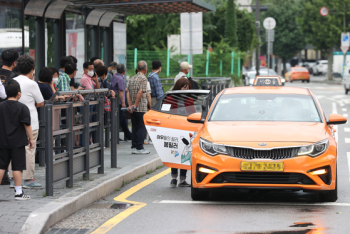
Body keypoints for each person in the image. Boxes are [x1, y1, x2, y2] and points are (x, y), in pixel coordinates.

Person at [7, 55, 45, 188]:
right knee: (29, 149)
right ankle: (28, 179)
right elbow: (41, 103)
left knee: (14, 149)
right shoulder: (32, 83)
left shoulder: (11, 81)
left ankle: (13, 178)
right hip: (30, 121)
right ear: (32, 69)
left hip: (13, 121)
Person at [0, 80, 33, 200]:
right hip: (18, 142)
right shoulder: (23, 107)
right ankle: (19, 193)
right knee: (17, 167)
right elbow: (27, 125)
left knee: (1, 166)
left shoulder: (1, 106)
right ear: (19, 93)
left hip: (2, 141)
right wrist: (31, 139)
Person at [164, 77, 194, 187]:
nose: (185, 90)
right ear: (178, 87)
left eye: (187, 88)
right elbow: (164, 114)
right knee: (174, 154)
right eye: (183, 87)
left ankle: (182, 180)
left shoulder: (190, 100)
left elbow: (193, 114)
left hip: (186, 131)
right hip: (173, 130)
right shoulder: (170, 98)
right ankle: (173, 178)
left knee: (185, 154)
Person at [126, 61, 150, 154]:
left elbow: (127, 92)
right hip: (141, 107)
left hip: (132, 108)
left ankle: (134, 147)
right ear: (145, 69)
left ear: (137, 69)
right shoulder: (143, 79)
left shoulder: (132, 78)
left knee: (135, 127)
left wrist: (130, 105)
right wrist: (135, 105)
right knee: (142, 127)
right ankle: (140, 148)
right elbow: (141, 92)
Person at [111, 63, 132, 141]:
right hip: (119, 102)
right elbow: (120, 91)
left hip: (115, 101)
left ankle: (128, 134)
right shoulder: (120, 78)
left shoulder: (115, 76)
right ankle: (115, 137)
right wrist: (123, 102)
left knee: (122, 119)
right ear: (124, 70)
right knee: (119, 119)